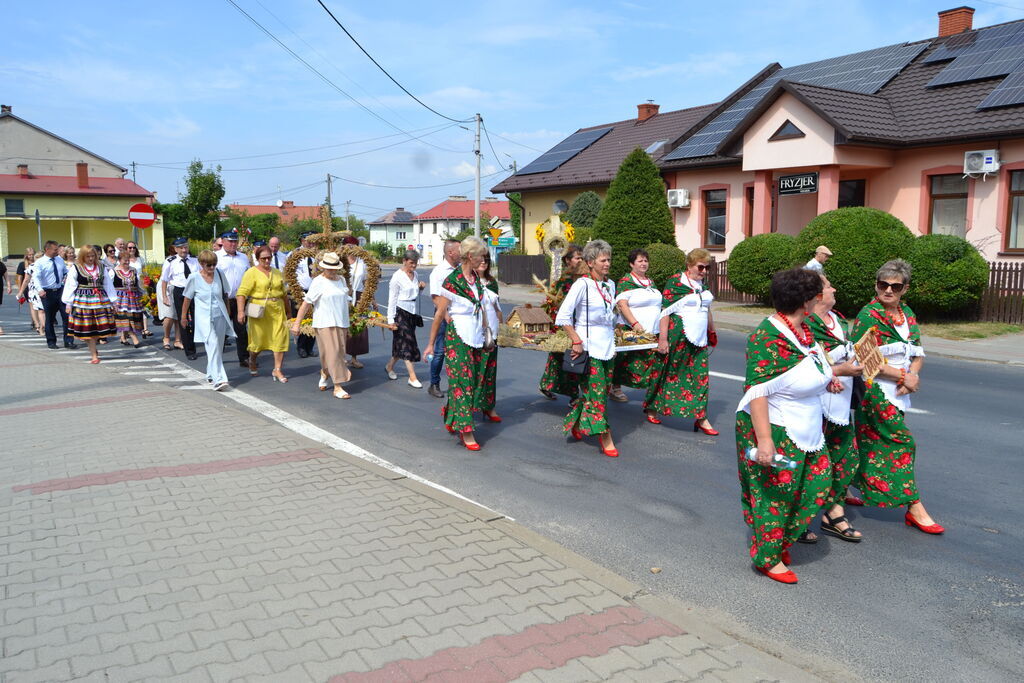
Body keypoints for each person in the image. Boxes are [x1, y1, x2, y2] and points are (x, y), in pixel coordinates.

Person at [735, 268, 838, 584]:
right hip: (775, 427)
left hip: (806, 427)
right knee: (776, 494)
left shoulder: (803, 330)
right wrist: (765, 441)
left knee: (816, 485)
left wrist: (833, 376)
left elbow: (809, 368)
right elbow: (757, 392)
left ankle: (777, 540)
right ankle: (768, 557)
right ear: (807, 302)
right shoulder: (768, 336)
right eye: (818, 294)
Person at [851, 259, 943, 534]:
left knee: (871, 444)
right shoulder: (868, 315)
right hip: (876, 390)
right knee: (902, 444)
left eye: (895, 286)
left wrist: (913, 375)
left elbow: (917, 350)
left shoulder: (907, 313)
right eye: (883, 285)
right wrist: (903, 377)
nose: (888, 290)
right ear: (876, 285)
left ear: (905, 289)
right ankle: (914, 507)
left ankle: (838, 489)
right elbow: (865, 358)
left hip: (900, 392)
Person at [807, 274, 864, 542]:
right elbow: (807, 360)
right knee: (813, 461)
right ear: (818, 295)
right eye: (829, 286)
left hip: (841, 400)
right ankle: (802, 516)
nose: (834, 288)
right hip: (817, 400)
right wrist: (658, 342)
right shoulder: (807, 323)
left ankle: (832, 511)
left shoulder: (839, 319)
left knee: (846, 457)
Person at [426, 237, 490, 451]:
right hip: (457, 338)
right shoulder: (451, 281)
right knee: (463, 383)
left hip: (476, 337)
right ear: (471, 257)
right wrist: (431, 344)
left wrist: (487, 333)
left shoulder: (476, 280)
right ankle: (466, 431)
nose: (484, 259)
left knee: (472, 383)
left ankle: (452, 413)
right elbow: (439, 315)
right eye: (481, 255)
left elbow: (481, 309)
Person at [644, 248, 719, 433]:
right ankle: (654, 407)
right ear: (689, 265)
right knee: (668, 372)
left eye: (706, 268)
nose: (703, 271)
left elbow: (706, 308)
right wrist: (663, 339)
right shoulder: (676, 283)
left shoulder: (703, 286)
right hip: (678, 335)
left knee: (700, 377)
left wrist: (712, 330)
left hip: (699, 339)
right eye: (700, 267)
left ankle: (701, 418)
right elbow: (665, 312)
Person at [556, 240, 619, 458]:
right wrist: (576, 340)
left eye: (609, 259)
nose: (608, 264)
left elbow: (610, 315)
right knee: (598, 395)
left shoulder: (609, 285)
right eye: (603, 260)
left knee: (598, 392)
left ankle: (575, 423)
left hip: (608, 347)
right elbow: (563, 316)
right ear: (591, 263)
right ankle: (605, 436)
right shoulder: (581, 285)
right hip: (589, 348)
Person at [291, 252, 352, 399]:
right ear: (323, 267)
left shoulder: (342, 280)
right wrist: (297, 324)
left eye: (334, 268)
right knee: (335, 353)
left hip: (341, 322)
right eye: (329, 268)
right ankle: (338, 386)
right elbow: (306, 304)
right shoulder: (318, 281)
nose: (332, 271)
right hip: (324, 322)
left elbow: (345, 302)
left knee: (333, 353)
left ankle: (325, 372)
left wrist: (349, 322)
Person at [610, 249, 662, 406]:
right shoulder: (625, 282)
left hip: (652, 330)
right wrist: (635, 324)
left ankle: (651, 391)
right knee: (624, 361)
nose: (644, 263)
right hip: (630, 329)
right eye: (640, 261)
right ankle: (615, 387)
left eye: (646, 260)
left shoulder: (650, 282)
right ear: (631, 264)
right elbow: (622, 304)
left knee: (652, 361)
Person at [236, 244, 292, 382]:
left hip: (277, 310)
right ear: (258, 259)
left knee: (280, 339)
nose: (267, 261)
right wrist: (240, 312)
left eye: (269, 258)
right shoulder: (251, 273)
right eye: (263, 259)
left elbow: (284, 294)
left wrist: (289, 311)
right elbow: (241, 293)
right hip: (259, 311)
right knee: (258, 341)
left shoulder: (277, 272)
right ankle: (252, 359)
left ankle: (277, 369)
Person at [181, 250, 234, 391]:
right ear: (201, 264)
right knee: (214, 343)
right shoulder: (194, 278)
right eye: (208, 265)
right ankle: (219, 379)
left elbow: (225, 294)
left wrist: (228, 311)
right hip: (203, 317)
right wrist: (183, 316)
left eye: (214, 264)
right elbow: (187, 298)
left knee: (217, 347)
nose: (212, 268)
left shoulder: (220, 274)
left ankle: (211, 373)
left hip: (220, 315)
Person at [539, 244, 584, 402]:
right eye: (577, 258)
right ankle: (572, 396)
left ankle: (552, 386)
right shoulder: (563, 282)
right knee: (564, 357)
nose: (581, 261)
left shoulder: (584, 278)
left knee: (570, 357)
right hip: (565, 324)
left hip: (580, 323)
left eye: (582, 257)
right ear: (568, 260)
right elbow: (554, 303)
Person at [61, 244, 116, 363]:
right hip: (83, 301)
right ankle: (93, 354)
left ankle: (93, 348)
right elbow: (70, 285)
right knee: (86, 329)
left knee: (99, 328)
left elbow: (107, 284)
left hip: (100, 300)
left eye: (92, 256)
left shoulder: (101, 267)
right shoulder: (76, 268)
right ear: (82, 256)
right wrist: (68, 303)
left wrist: (113, 301)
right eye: (88, 256)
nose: (91, 259)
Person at [385, 249, 426, 388]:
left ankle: (389, 366)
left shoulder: (415, 274)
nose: (414, 266)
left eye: (415, 263)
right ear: (404, 261)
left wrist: (420, 288)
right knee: (408, 344)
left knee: (401, 342)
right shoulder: (397, 277)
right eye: (411, 263)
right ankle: (412, 377)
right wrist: (390, 320)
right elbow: (392, 299)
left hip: (412, 312)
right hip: (400, 312)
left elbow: (415, 294)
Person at [427, 239, 461, 398]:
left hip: (460, 316)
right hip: (444, 317)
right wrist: (447, 316)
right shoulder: (439, 272)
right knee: (440, 351)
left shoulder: (461, 269)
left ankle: (458, 384)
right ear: (450, 252)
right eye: (460, 250)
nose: (462, 252)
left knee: (459, 351)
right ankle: (434, 384)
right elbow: (435, 297)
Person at [215, 231, 252, 367]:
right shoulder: (216, 257)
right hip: (223, 298)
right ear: (223, 241)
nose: (233, 244)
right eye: (230, 241)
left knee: (241, 328)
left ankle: (244, 358)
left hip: (240, 298)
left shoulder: (243, 257)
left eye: (235, 241)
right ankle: (216, 357)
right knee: (220, 329)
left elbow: (249, 275)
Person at [160, 237, 199, 360]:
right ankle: (190, 350)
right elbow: (164, 280)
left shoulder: (195, 261)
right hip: (180, 292)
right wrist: (165, 297)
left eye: (186, 247)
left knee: (196, 320)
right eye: (181, 248)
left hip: (195, 292)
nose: (184, 250)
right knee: (184, 320)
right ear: (176, 249)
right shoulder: (170, 261)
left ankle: (195, 342)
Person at [33, 240, 75, 350]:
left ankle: (68, 341)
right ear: (48, 250)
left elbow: (66, 272)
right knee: (50, 318)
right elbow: (36, 277)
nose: (58, 251)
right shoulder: (40, 262)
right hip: (47, 292)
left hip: (61, 291)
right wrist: (40, 290)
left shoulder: (59, 260)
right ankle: (51, 341)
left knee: (67, 316)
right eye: (55, 249)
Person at [476, 251, 503, 421]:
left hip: (492, 332)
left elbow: (497, 307)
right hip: (475, 332)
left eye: (486, 260)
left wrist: (502, 328)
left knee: (490, 372)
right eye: (481, 259)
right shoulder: (469, 281)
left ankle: (489, 407)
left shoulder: (492, 283)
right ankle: (469, 405)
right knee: (476, 372)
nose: (484, 263)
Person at [111, 250, 145, 348]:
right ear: (119, 260)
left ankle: (123, 337)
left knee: (132, 317)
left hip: (133, 297)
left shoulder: (133, 270)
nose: (127, 262)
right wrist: (111, 300)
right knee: (125, 317)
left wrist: (145, 294)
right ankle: (134, 338)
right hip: (120, 298)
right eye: (124, 261)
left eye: (128, 260)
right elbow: (109, 286)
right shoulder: (113, 271)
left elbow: (139, 284)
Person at [292, 232, 318, 359]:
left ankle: (310, 346)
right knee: (303, 319)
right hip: (301, 290)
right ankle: (301, 346)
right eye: (307, 240)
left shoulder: (317, 255)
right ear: (302, 240)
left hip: (315, 291)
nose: (310, 242)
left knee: (314, 319)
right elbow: (290, 271)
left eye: (312, 240)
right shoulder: (296, 254)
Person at [343, 236, 366, 369]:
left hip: (359, 296)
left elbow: (366, 281)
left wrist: (372, 299)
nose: (351, 248)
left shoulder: (362, 262)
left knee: (357, 327)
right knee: (343, 327)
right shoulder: (340, 261)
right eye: (349, 245)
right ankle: (342, 357)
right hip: (344, 296)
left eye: (354, 246)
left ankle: (354, 358)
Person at [16, 251, 44, 335]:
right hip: (33, 291)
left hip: (45, 290)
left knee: (43, 310)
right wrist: (20, 292)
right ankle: (38, 325)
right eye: (37, 258)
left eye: (41, 258)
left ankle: (43, 325)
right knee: (36, 309)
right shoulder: (31, 267)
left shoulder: (46, 266)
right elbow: (26, 280)